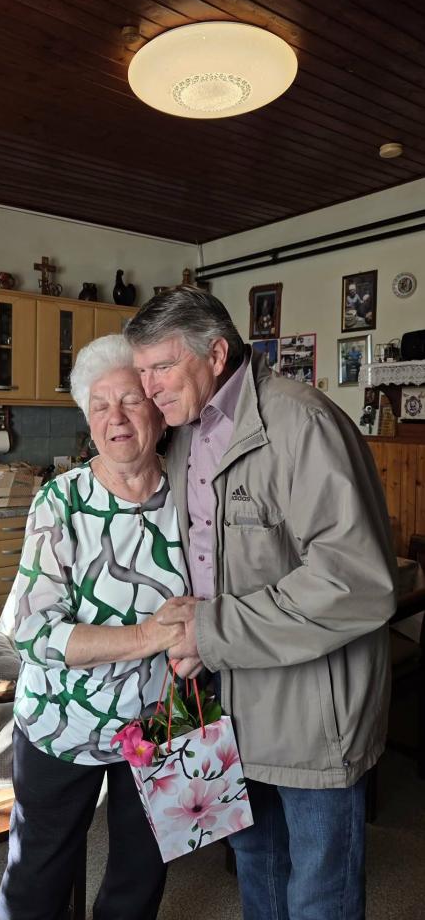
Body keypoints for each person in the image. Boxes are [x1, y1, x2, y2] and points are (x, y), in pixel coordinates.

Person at [125, 286, 397, 920]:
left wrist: (209, 631)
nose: (149, 387)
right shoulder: (185, 433)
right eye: (142, 370)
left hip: (311, 706)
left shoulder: (303, 422)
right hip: (228, 690)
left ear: (216, 354)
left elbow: (354, 582)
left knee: (320, 890)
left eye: (161, 366)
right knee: (257, 865)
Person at [0, 334, 190, 920]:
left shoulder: (192, 495)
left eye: (130, 400)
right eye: (100, 405)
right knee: (38, 872)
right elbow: (33, 633)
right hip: (64, 718)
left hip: (162, 719)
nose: (116, 418)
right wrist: (147, 636)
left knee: (141, 873)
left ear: (158, 409)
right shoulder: (61, 501)